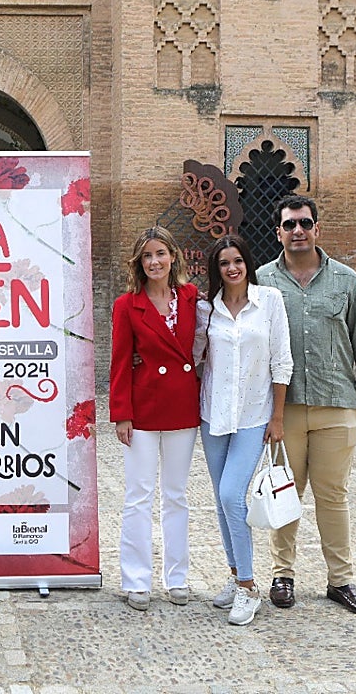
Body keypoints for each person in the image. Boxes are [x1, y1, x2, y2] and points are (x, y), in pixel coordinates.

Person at [257, 194, 356, 616]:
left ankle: (341, 580)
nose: (298, 231)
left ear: (317, 229)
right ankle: (282, 575)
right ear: (278, 232)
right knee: (285, 493)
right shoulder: (262, 281)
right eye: (290, 224)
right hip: (285, 408)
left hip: (336, 405)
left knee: (333, 496)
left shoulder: (346, 282)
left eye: (305, 224)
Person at [194, 234, 292, 626]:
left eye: (237, 261)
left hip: (254, 415)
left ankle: (249, 587)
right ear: (216, 270)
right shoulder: (208, 310)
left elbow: (281, 360)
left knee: (233, 494)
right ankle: (235, 577)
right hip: (213, 415)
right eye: (224, 263)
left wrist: (278, 418)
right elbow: (196, 356)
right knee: (221, 499)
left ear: (247, 263)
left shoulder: (269, 301)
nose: (232, 268)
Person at [109, 226, 201, 611]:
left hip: (183, 407)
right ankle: (136, 580)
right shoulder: (127, 305)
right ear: (139, 263)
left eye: (160, 253)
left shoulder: (193, 297)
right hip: (142, 411)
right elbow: (119, 363)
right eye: (147, 256)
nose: (154, 262)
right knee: (139, 496)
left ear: (173, 256)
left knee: (177, 496)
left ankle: (177, 577)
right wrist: (121, 414)